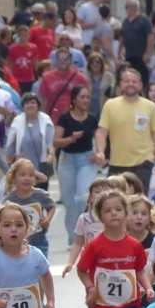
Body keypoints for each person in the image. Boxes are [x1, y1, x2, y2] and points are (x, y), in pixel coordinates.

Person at [94, 69, 155, 189]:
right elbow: (101, 132)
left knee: (139, 202)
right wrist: (100, 151)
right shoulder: (110, 105)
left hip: (143, 162)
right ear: (121, 84)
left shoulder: (150, 106)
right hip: (117, 163)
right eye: (127, 81)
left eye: (134, 81)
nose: (130, 84)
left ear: (140, 85)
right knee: (117, 202)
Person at [53, 86, 99, 248]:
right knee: (69, 202)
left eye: (88, 97)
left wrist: (98, 153)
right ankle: (73, 240)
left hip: (86, 160)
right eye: (82, 97)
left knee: (83, 197)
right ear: (74, 100)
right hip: (67, 160)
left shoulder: (92, 118)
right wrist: (70, 139)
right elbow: (56, 141)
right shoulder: (65, 118)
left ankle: (88, 234)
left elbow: (100, 137)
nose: (86, 100)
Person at [6, 94, 55, 190]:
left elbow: (50, 142)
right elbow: (11, 144)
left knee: (41, 194)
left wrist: (51, 155)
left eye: (33, 103)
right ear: (23, 106)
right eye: (27, 103)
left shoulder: (46, 120)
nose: (30, 105)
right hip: (23, 165)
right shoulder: (17, 121)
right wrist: (9, 163)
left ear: (38, 106)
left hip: (42, 165)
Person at [38, 47, 90, 125]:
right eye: (60, 58)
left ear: (70, 60)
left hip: (74, 118)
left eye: (66, 58)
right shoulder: (47, 77)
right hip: (53, 118)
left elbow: (87, 96)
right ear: (56, 60)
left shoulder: (79, 77)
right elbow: (41, 98)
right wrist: (45, 117)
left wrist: (84, 115)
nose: (63, 61)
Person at [119, 0, 155, 85]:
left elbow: (150, 36)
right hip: (129, 55)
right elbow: (122, 38)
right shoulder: (125, 22)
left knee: (142, 77)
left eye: (127, 7)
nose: (126, 9)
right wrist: (119, 53)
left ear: (134, 7)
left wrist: (148, 53)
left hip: (141, 55)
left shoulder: (144, 20)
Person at [7, 26, 39, 93]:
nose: (23, 37)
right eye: (21, 35)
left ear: (28, 35)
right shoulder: (12, 48)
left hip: (29, 78)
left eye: (25, 35)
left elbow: (35, 63)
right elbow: (10, 64)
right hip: (17, 78)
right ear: (18, 35)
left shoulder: (33, 47)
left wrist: (38, 75)